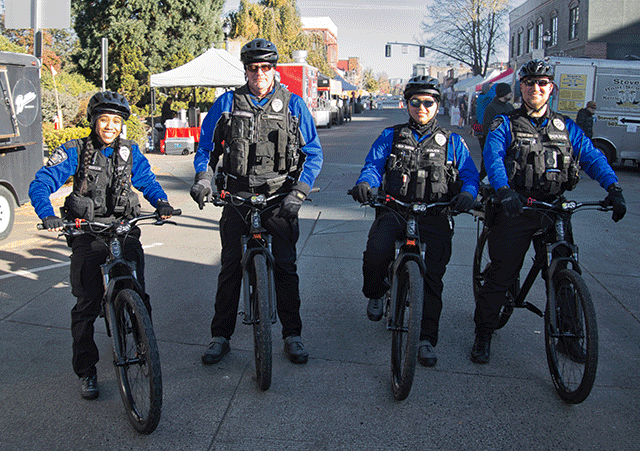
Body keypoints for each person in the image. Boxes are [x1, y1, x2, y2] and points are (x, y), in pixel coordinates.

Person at [471, 60, 627, 364]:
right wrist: (503, 191)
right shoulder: (505, 123)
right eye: (530, 83)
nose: (536, 88)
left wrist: (614, 188)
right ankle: (484, 333)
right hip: (515, 206)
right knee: (502, 272)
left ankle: (567, 337)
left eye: (542, 83)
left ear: (550, 88)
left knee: (565, 268)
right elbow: (493, 156)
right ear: (521, 88)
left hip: (553, 208)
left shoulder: (566, 127)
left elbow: (592, 157)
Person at [29, 91, 175, 399]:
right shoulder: (75, 151)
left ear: (122, 125)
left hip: (122, 228)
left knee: (137, 291)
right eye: (104, 120)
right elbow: (41, 183)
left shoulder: (130, 151)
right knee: (86, 304)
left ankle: (142, 342)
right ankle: (86, 371)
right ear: (94, 121)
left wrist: (161, 202)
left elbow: (147, 181)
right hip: (88, 232)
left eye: (116, 121)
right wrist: (47, 214)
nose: (110, 126)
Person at [190, 38, 323, 365]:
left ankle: (292, 334)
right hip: (237, 196)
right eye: (253, 68)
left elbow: (314, 154)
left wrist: (300, 191)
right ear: (246, 69)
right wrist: (203, 179)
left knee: (287, 267)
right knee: (231, 267)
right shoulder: (226, 104)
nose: (259, 73)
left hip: (280, 198)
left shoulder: (293, 105)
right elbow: (207, 149)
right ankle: (220, 335)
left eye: (265, 67)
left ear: (273, 69)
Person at [351, 75, 479, 367]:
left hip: (434, 214)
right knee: (376, 253)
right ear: (406, 104)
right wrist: (366, 185)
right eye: (415, 102)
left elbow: (470, 175)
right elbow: (373, 165)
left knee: (433, 279)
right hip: (395, 209)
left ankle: (425, 339)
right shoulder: (391, 135)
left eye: (428, 102)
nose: (421, 107)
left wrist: (469, 194)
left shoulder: (453, 141)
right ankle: (376, 292)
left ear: (437, 105)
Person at [479, 83, 514, 180]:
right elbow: (486, 127)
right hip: (493, 144)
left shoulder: (510, 107)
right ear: (505, 93)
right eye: (509, 92)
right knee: (487, 167)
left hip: (508, 145)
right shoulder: (491, 107)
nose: (511, 94)